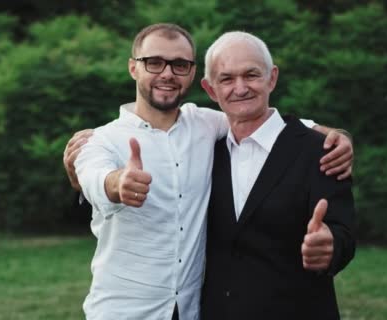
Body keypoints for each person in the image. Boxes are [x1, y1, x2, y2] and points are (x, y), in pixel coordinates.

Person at [68, 23, 353, 320]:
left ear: (192, 75)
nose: (167, 73)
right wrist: (117, 183)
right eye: (154, 62)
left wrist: (336, 135)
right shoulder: (100, 139)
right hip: (124, 312)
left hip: (191, 311)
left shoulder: (205, 124)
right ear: (133, 68)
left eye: (179, 65)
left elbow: (265, 120)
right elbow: (93, 176)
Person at [199, 31, 355, 319]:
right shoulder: (204, 150)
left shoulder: (320, 150)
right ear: (211, 90)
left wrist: (330, 245)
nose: (240, 87)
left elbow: (344, 232)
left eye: (251, 75)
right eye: (227, 79)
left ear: (272, 78)